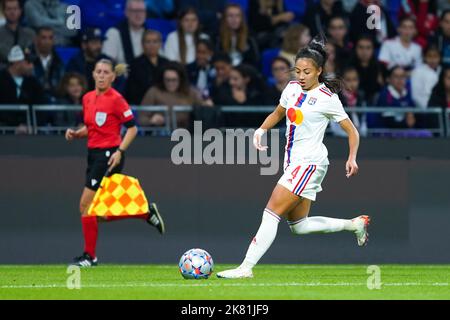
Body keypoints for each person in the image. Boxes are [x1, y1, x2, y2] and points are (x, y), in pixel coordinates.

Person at [217, 36, 369, 279]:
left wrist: (352, 157)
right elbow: (278, 113)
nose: (301, 75)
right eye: (297, 70)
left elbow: (352, 131)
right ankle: (354, 224)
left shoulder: (327, 98)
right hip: (294, 163)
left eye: (306, 71)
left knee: (271, 212)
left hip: (309, 163)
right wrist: (261, 130)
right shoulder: (291, 88)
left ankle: (245, 267)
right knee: (299, 226)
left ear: (319, 71)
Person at [65, 59, 165, 267]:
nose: (101, 75)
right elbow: (91, 127)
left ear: (112, 77)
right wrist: (76, 133)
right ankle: (145, 213)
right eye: (98, 71)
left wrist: (120, 151)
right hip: (93, 155)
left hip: (109, 155)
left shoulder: (116, 99)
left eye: (106, 72)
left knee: (86, 206)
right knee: (93, 213)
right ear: (93, 74)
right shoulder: (87, 99)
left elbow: (132, 128)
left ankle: (89, 257)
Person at [140, 62, 205, 128]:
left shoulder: (191, 92)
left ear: (181, 79)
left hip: (187, 134)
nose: (170, 83)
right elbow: (141, 119)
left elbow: (203, 113)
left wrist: (207, 104)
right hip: (161, 134)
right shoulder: (153, 92)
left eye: (174, 80)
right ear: (162, 79)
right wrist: (151, 120)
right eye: (167, 80)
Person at [0, 45, 45, 134]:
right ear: (16, 63)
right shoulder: (1, 79)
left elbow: (40, 107)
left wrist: (29, 125)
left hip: (29, 132)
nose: (32, 66)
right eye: (28, 62)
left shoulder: (33, 82)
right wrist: (13, 126)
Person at [125, 29, 169, 105]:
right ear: (142, 44)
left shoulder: (167, 63)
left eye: (155, 41)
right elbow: (132, 91)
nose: (152, 45)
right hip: (142, 105)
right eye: (148, 42)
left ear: (160, 44)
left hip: (164, 103)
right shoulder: (134, 64)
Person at [102, 0, 146, 65]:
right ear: (126, 12)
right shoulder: (114, 33)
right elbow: (106, 63)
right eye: (135, 11)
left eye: (141, 11)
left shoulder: (149, 33)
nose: (138, 14)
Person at [216, 3, 260, 68]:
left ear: (242, 19)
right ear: (224, 19)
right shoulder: (218, 37)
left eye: (237, 16)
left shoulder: (250, 37)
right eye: (230, 16)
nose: (234, 19)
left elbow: (255, 61)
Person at [29, 26, 65, 104]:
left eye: (50, 38)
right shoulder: (28, 60)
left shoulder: (59, 62)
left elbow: (61, 86)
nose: (47, 41)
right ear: (36, 40)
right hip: (33, 101)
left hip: (55, 100)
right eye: (43, 38)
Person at [347, 35, 385, 104]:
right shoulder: (348, 66)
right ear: (356, 49)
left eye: (368, 48)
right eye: (361, 48)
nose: (364, 51)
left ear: (373, 49)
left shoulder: (380, 68)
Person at [0, 0, 35, 66]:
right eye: (9, 9)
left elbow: (33, 56)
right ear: (4, 11)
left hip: (27, 71)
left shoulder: (30, 34)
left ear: (20, 11)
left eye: (15, 9)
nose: (12, 12)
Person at [411, 44, 441, 109]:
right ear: (424, 57)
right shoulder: (418, 71)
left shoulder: (442, 71)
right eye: (429, 56)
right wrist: (428, 108)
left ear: (439, 57)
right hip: (425, 108)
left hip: (441, 107)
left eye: (435, 56)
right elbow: (416, 96)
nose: (433, 60)